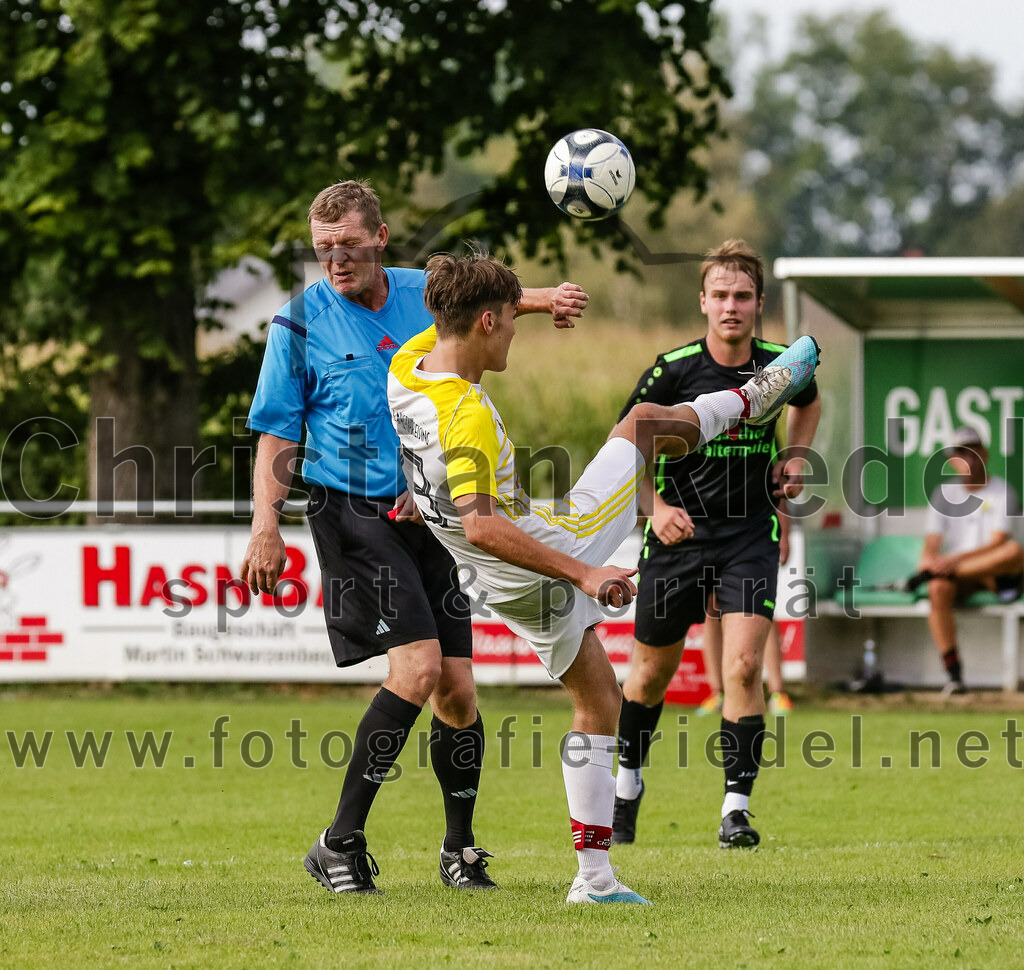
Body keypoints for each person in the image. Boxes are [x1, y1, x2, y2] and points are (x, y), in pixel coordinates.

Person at [386, 251, 818, 903]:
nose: (511, 334)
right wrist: (585, 571)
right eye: (507, 321)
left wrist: (532, 300)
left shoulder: (408, 370)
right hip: (541, 549)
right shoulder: (468, 414)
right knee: (643, 424)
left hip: (502, 577)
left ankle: (594, 879)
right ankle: (745, 400)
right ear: (484, 323)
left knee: (601, 702)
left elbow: (443, 479)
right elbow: (483, 526)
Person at [239, 180, 589, 895]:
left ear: (381, 237)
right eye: (323, 250)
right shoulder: (298, 322)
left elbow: (480, 309)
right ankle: (338, 843)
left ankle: (458, 851)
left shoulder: (417, 291)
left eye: (348, 246)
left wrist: (545, 297)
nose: (336, 261)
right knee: (420, 668)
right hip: (351, 512)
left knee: (458, 691)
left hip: (427, 510)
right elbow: (278, 429)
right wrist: (264, 523)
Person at [611, 239, 821, 850]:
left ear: (759, 303)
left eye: (743, 296)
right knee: (649, 676)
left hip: (750, 535)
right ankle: (627, 787)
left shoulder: (782, 364)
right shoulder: (673, 368)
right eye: (721, 296)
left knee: (744, 666)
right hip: (678, 541)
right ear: (703, 301)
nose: (732, 306)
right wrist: (657, 506)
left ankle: (735, 810)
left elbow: (807, 400)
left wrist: (798, 457)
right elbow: (626, 442)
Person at [910, 426, 1023, 695]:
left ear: (984, 454)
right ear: (952, 461)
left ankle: (945, 574)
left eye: (973, 452)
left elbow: (998, 543)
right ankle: (954, 675)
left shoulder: (1003, 491)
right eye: (962, 453)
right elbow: (932, 542)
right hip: (960, 575)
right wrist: (928, 561)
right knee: (937, 588)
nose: (969, 459)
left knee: (1014, 552)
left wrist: (951, 563)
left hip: (993, 574)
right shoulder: (943, 493)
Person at [698, 501, 794, 717]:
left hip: (752, 541)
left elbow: (778, 493)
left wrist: (784, 535)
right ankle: (718, 692)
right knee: (711, 611)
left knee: (760, 612)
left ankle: (777, 692)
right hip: (709, 540)